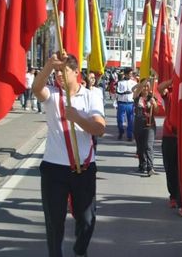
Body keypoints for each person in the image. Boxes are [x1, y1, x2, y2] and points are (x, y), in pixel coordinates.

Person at [31, 53, 106, 257]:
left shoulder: (92, 95)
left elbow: (99, 129)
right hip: (54, 168)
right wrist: (48, 65)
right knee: (54, 221)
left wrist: (78, 119)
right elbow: (36, 89)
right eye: (56, 72)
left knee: (87, 219)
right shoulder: (53, 95)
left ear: (76, 72)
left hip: (84, 169)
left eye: (63, 71)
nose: (59, 76)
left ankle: (80, 250)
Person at [157, 79, 182, 212]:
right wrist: (174, 79)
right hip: (169, 136)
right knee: (170, 167)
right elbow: (160, 88)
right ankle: (173, 195)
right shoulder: (170, 93)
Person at [133, 79, 158, 176]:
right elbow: (137, 90)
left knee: (148, 146)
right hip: (138, 123)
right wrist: (145, 79)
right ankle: (142, 164)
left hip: (149, 124)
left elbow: (157, 110)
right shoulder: (137, 97)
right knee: (140, 147)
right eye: (144, 86)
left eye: (147, 86)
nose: (146, 88)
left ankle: (150, 167)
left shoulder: (152, 97)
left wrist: (154, 103)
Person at [115, 68, 137, 141]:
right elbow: (117, 92)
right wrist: (124, 92)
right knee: (120, 120)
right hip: (122, 103)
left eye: (132, 73)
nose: (131, 75)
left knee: (130, 120)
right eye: (130, 73)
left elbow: (136, 92)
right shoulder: (120, 82)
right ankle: (121, 131)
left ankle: (129, 135)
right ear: (126, 74)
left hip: (130, 103)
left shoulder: (134, 83)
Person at [85, 73, 104, 152]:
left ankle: (93, 152)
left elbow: (101, 104)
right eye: (90, 78)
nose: (92, 79)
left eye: (93, 78)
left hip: (95, 116)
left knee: (94, 138)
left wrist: (102, 117)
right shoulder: (83, 90)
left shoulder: (98, 90)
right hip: (85, 117)